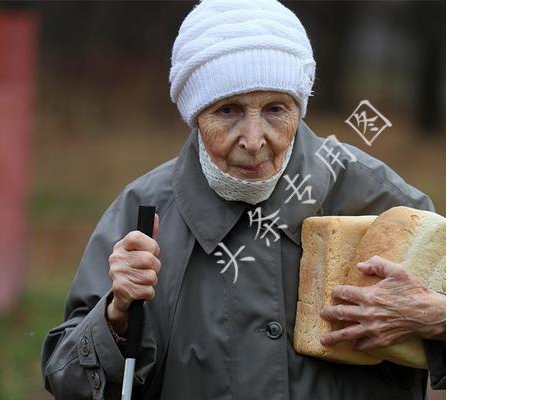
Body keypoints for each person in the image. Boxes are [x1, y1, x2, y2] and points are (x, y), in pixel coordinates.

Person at [41, 0, 445, 398]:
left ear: (299, 108)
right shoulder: (143, 213)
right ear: (195, 114)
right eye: (228, 110)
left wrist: (440, 319)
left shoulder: (383, 201)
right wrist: (117, 317)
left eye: (275, 109)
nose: (254, 141)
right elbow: (66, 378)